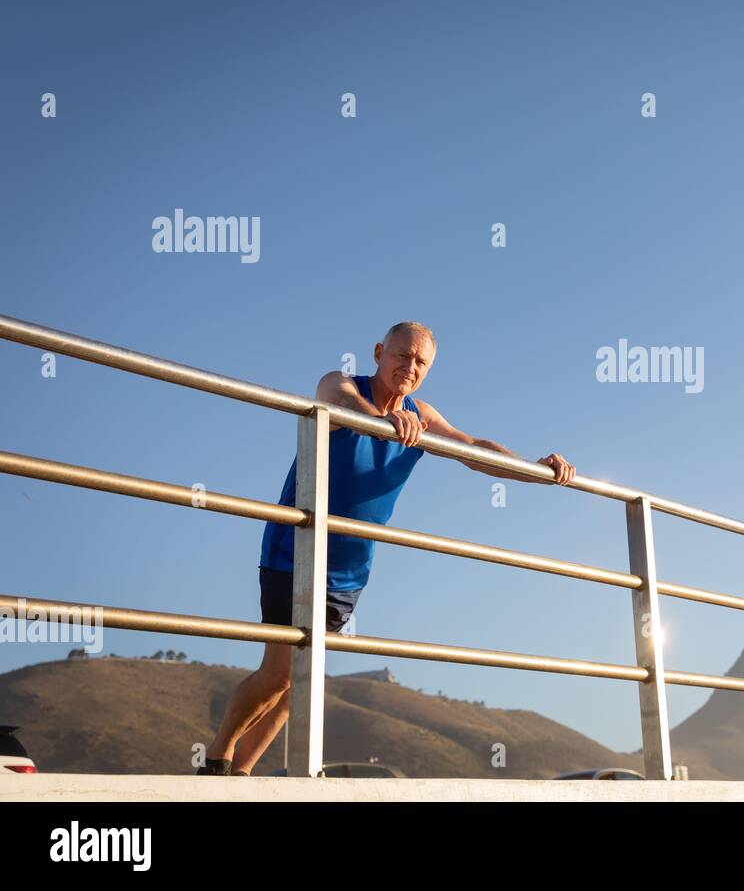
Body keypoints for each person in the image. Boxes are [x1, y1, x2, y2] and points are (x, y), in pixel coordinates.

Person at [197, 320, 574, 775]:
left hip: (349, 571)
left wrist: (536, 469)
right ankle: (219, 754)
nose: (409, 366)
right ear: (379, 352)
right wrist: (379, 420)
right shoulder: (340, 383)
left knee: (303, 679)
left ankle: (242, 774)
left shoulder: (423, 417)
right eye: (402, 354)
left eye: (421, 362)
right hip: (294, 548)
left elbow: (475, 448)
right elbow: (340, 402)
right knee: (279, 671)